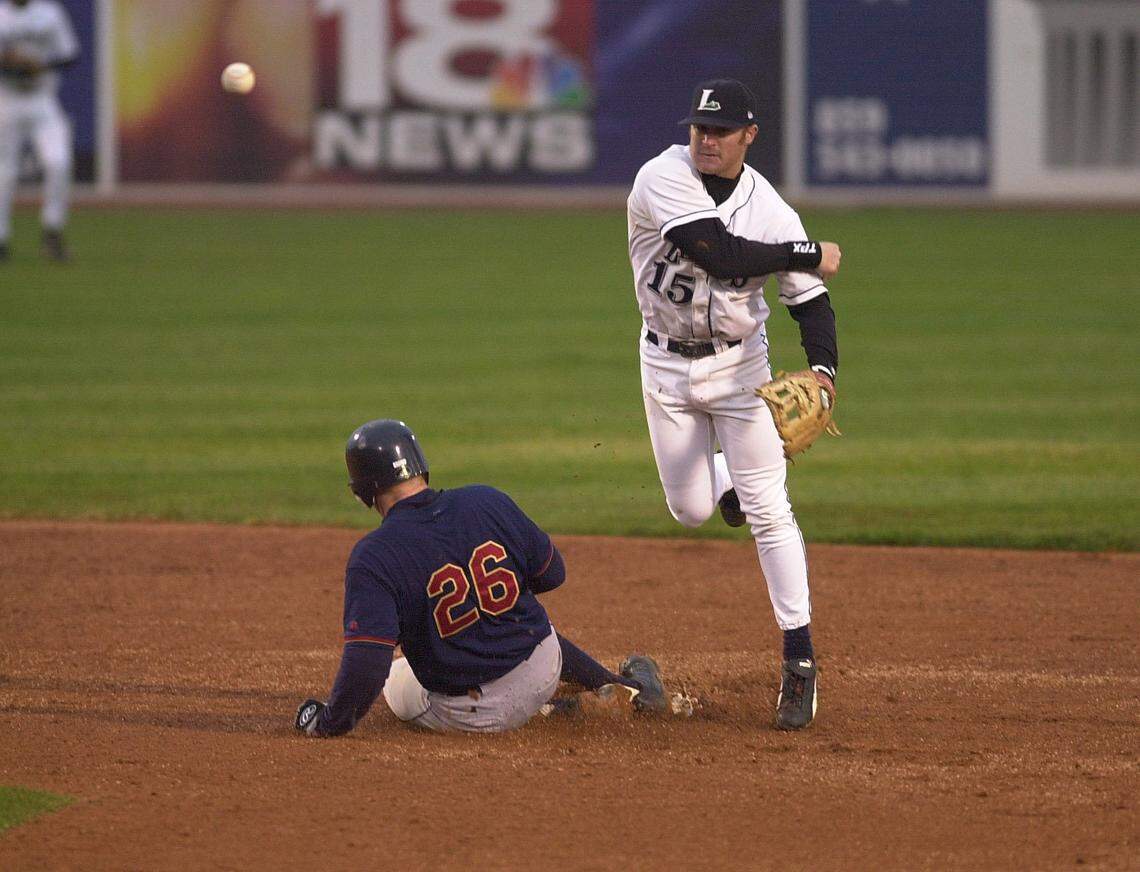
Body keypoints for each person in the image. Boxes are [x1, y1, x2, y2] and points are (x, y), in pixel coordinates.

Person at [626, 78, 843, 730]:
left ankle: (799, 661)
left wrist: (825, 372)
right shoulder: (659, 177)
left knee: (770, 509)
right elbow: (717, 256)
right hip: (664, 364)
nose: (706, 139)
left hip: (741, 369)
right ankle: (731, 483)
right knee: (690, 509)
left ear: (750, 135)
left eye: (721, 130)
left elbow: (809, 302)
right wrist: (807, 251)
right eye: (699, 127)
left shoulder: (772, 210)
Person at [295, 418, 670, 737]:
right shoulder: (486, 500)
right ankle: (627, 691)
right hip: (544, 667)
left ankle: (552, 712)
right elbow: (552, 574)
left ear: (363, 491)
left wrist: (327, 723)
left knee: (397, 674)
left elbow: (366, 664)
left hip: (472, 714)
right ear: (421, 466)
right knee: (518, 618)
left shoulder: (373, 556)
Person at [0, 0, 78, 263]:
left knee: (59, 162)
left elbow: (70, 54)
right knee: (4, 172)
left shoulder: (49, 13)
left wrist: (40, 65)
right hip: (6, 100)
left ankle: (52, 231)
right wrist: (11, 63)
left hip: (42, 98)